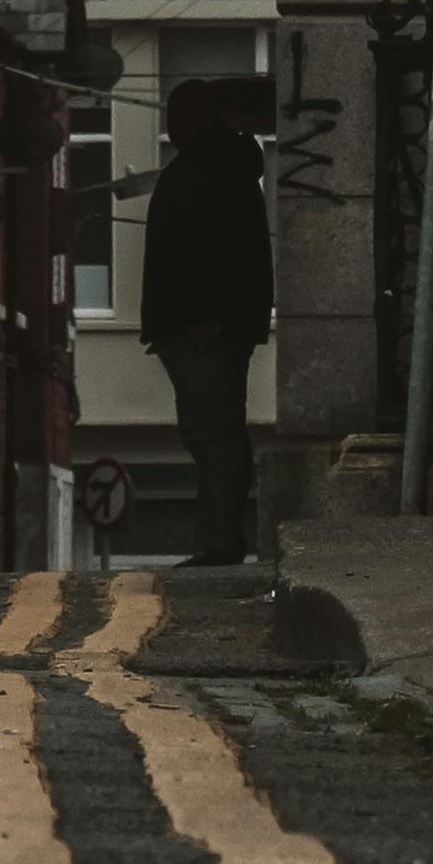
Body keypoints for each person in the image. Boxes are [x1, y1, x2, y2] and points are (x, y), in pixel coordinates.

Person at [136, 79, 271, 566]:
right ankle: (219, 538)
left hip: (204, 331)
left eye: (177, 113)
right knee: (215, 434)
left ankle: (220, 542)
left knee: (213, 436)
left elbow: (209, 252)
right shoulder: (220, 168)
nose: (169, 125)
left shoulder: (208, 170)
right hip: (205, 327)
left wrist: (197, 318)